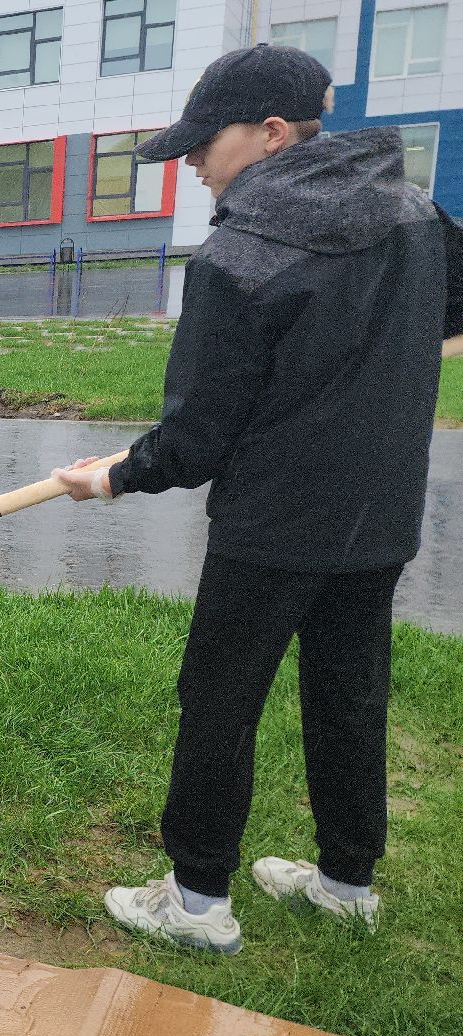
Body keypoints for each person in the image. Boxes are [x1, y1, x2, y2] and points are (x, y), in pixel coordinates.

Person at [52, 45, 462, 954]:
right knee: (350, 695)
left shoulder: (238, 254)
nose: (193, 162)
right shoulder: (417, 213)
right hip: (379, 515)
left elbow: (197, 438)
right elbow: (453, 312)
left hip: (272, 527)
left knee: (220, 702)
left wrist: (113, 474)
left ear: (272, 133)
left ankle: (197, 903)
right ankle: (346, 885)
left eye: (204, 143)